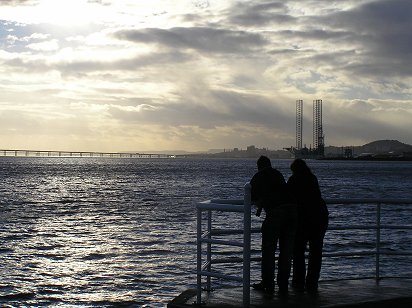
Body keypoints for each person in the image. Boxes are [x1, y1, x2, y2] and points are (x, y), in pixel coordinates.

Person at [250, 156, 297, 295]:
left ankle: (268, 283)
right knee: (286, 251)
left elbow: (251, 197)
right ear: (270, 164)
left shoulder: (258, 177)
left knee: (268, 250)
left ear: (258, 166)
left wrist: (260, 201)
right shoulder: (278, 174)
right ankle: (283, 285)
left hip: (276, 212)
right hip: (292, 212)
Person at [287, 158, 328, 292]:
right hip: (319, 218)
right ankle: (312, 282)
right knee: (315, 253)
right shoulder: (312, 178)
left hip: (303, 220)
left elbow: (289, 198)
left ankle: (298, 282)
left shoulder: (293, 180)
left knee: (298, 252)